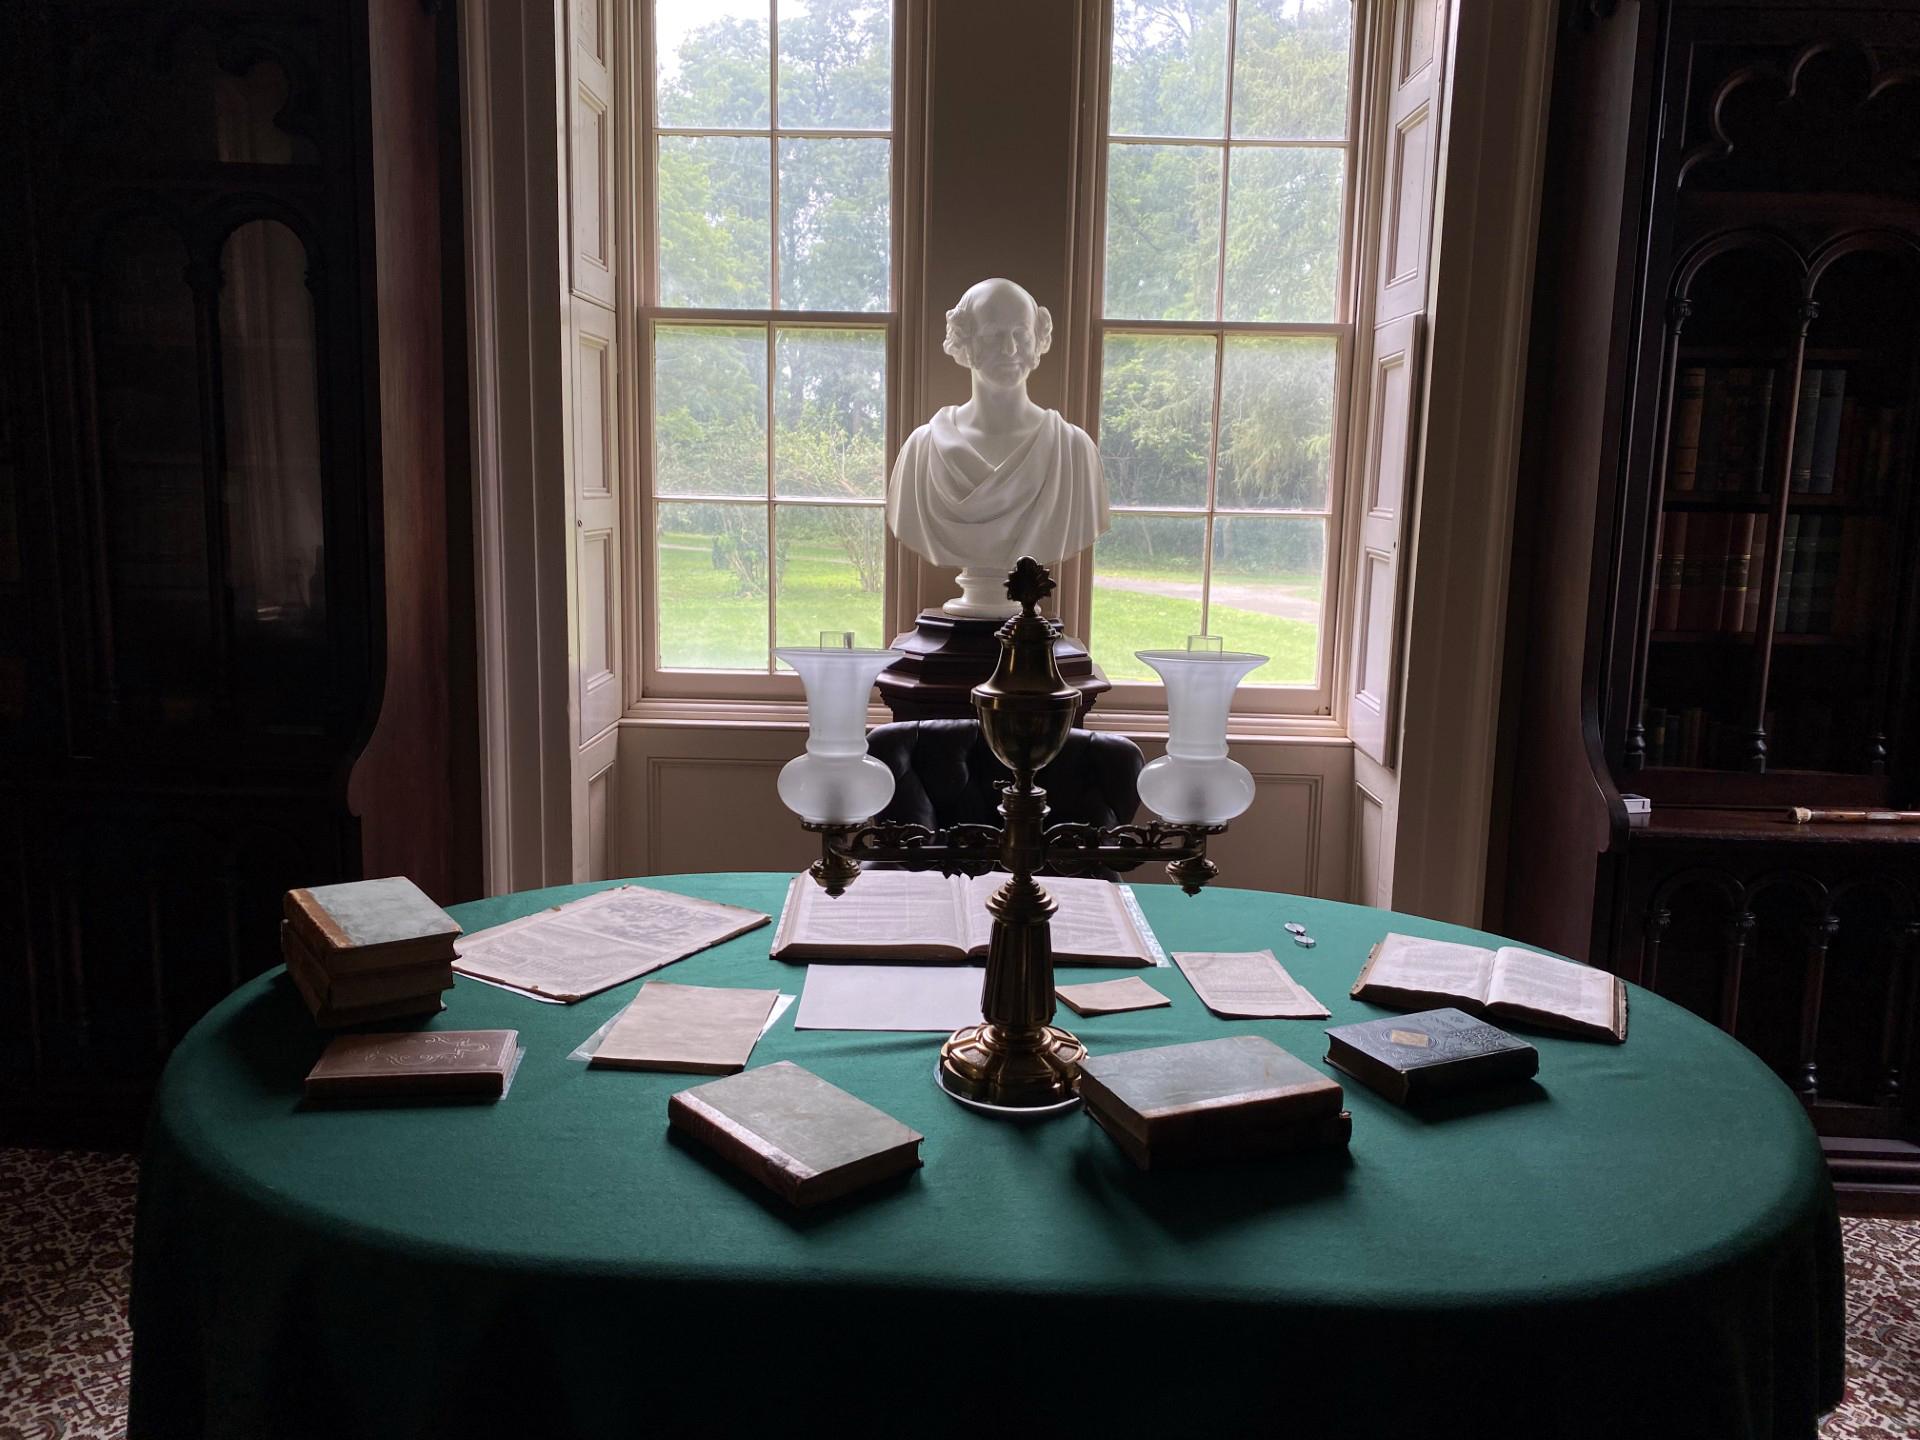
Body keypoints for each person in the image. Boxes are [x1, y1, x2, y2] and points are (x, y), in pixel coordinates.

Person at [886, 278, 1110, 616]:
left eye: (1021, 334)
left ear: (1039, 341)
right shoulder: (922, 451)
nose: (1009, 349)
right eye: (993, 335)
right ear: (966, 343)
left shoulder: (1074, 452)